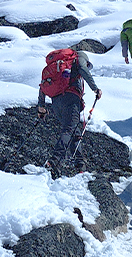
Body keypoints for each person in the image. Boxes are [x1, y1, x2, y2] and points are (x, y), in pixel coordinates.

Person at [36, 48, 103, 177]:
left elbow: (42, 87)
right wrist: (95, 89)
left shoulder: (55, 66)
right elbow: (83, 70)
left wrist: (41, 107)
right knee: (69, 129)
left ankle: (80, 165)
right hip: (70, 99)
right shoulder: (79, 58)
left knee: (74, 131)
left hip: (56, 102)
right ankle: (53, 161)